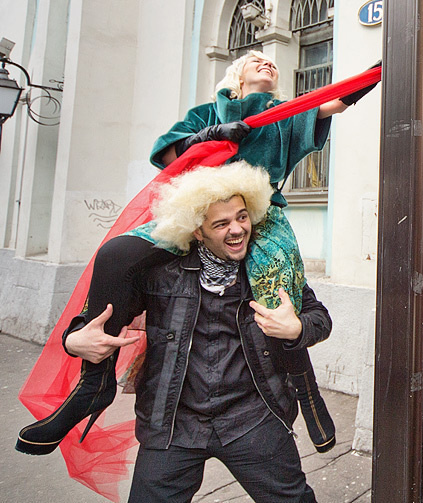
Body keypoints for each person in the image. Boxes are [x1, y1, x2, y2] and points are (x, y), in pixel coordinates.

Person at [17, 51, 377, 457]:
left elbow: (336, 100)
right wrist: (209, 136)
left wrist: (383, 68)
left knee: (279, 295)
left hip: (260, 215)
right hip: (197, 214)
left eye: (273, 62)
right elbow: (167, 154)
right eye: (256, 59)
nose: (269, 63)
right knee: (118, 253)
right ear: (236, 76)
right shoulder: (206, 112)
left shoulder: (286, 114)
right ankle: (93, 382)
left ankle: (306, 394)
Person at [65, 162, 327, 502]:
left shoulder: (269, 269)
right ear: (197, 231)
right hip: (173, 424)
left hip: (254, 418)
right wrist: (73, 341)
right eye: (221, 223)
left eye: (242, 216)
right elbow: (97, 320)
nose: (237, 229)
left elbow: (319, 317)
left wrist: (297, 328)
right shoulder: (160, 274)